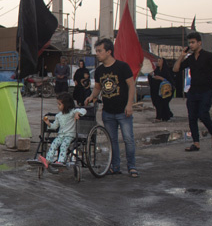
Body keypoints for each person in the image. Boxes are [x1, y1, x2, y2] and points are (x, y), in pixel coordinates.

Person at [85, 38, 138, 177]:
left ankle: (132, 167)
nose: (97, 54)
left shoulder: (122, 67)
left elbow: (131, 85)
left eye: (100, 51)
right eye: (96, 51)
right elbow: (98, 87)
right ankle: (115, 166)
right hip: (107, 112)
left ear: (109, 52)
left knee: (128, 139)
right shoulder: (99, 71)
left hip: (123, 111)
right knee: (112, 141)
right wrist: (91, 96)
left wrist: (129, 105)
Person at [173, 32, 212, 151]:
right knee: (192, 117)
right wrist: (182, 55)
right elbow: (176, 69)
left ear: (199, 43)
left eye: (193, 42)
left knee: (203, 114)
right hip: (193, 91)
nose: (191, 45)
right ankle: (196, 143)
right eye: (189, 43)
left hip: (206, 90)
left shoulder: (208, 56)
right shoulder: (190, 59)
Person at [38, 92, 86, 169]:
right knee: (53, 144)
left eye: (59, 104)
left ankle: (61, 161)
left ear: (66, 105)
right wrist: (48, 124)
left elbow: (83, 110)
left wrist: (77, 113)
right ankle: (47, 160)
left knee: (63, 146)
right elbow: (54, 126)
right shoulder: (58, 116)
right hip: (61, 135)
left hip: (70, 135)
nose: (58, 106)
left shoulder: (72, 112)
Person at [148, 57, 174, 122]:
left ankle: (164, 117)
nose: (158, 62)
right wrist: (151, 75)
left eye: (160, 61)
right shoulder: (156, 70)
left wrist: (161, 78)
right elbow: (152, 78)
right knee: (157, 103)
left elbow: (171, 81)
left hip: (165, 91)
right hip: (157, 91)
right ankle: (160, 116)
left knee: (164, 103)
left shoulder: (167, 71)